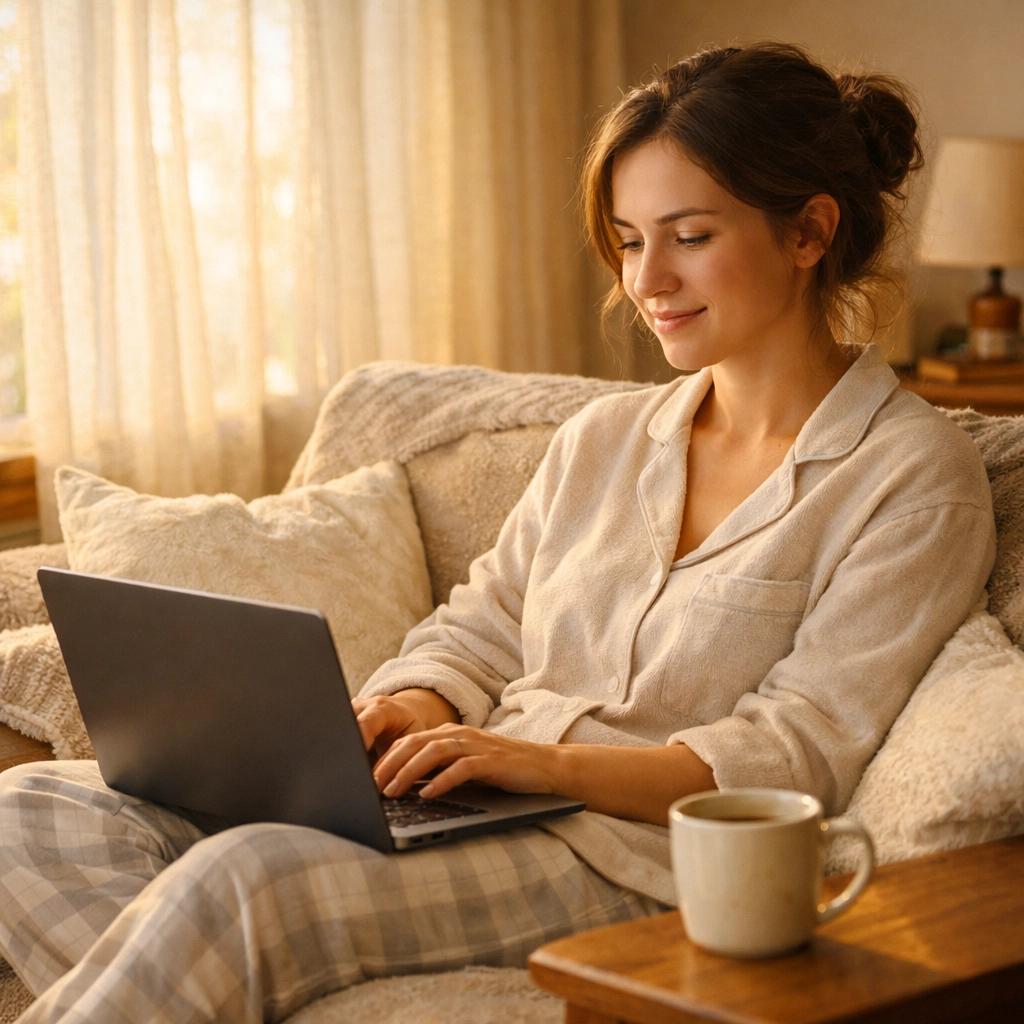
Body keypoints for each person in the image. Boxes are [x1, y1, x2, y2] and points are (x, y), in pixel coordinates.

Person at [0, 43, 995, 1023]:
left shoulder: (909, 477)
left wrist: (540, 764)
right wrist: (414, 702)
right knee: (31, 813)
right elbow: (482, 622)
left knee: (249, 880)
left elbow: (794, 754)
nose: (647, 279)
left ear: (810, 231)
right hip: (480, 801)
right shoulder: (604, 438)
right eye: (629, 238)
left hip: (633, 859)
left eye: (688, 235)